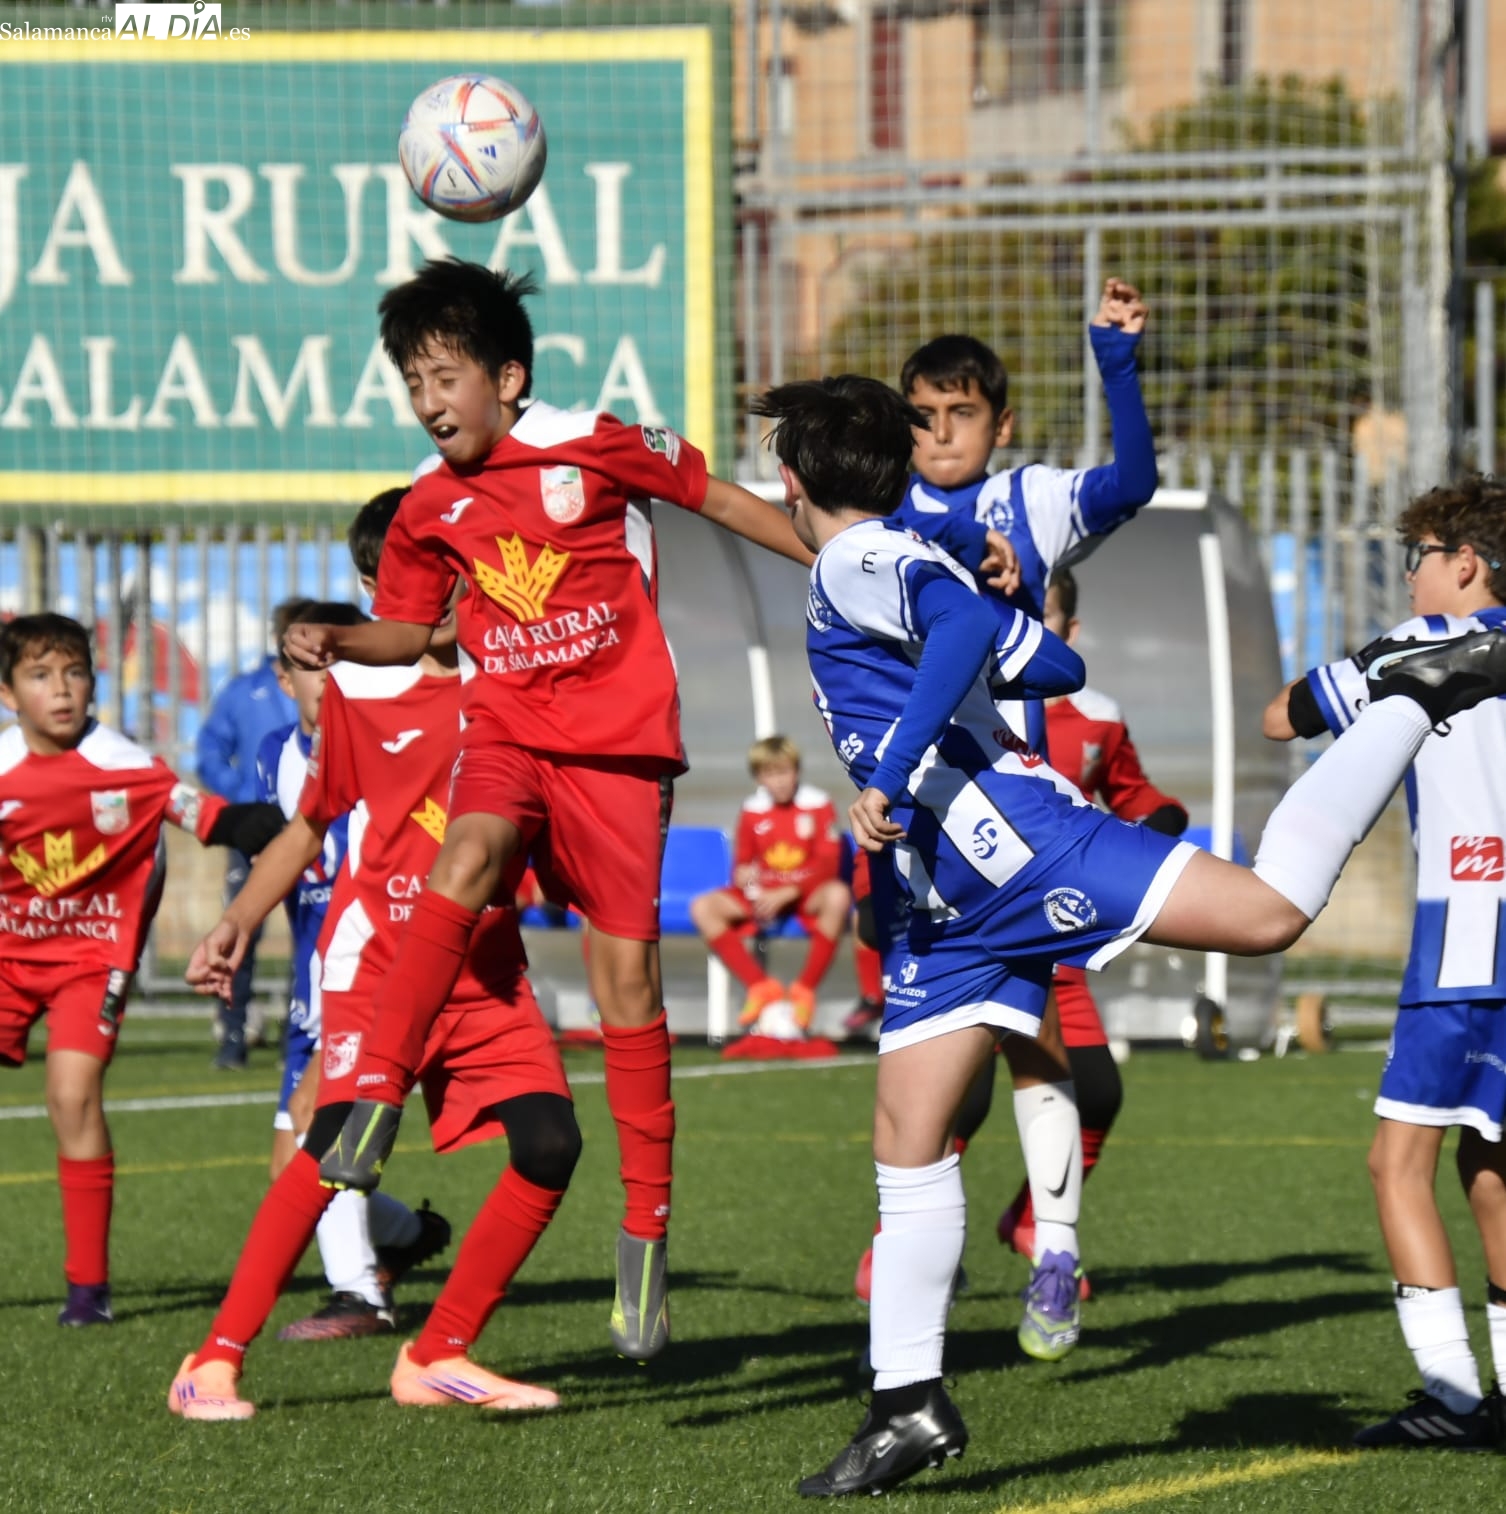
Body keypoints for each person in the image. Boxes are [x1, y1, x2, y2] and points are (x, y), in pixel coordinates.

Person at [750, 375, 1506, 1497]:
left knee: (1268, 911)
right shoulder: (901, 554)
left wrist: (903, 754)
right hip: (947, 898)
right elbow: (1053, 666)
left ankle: (1410, 696)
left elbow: (959, 632)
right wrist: (984, 602)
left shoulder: (852, 558)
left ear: (792, 480)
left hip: (1016, 845)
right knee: (907, 1135)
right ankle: (905, 1403)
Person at [283, 258, 813, 1360]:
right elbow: (415, 631)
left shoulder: (595, 443)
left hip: (620, 751)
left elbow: (718, 499)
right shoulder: (429, 503)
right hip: (510, 733)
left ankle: (645, 1233)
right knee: (466, 857)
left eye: (445, 377)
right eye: (412, 383)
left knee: (628, 988)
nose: (428, 401)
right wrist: (341, 638)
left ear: (508, 377)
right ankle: (375, 1098)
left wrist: (837, 556)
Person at [168, 488, 580, 1419]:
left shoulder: (519, 686)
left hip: (484, 971)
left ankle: (436, 1354)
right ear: (380, 590)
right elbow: (310, 825)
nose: (444, 593)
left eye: (459, 571)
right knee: (334, 1151)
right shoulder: (359, 691)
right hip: (382, 966)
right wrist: (237, 920)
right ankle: (212, 1362)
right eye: (417, 577)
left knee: (551, 1144)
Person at [847, 288, 1160, 1357]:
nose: (940, 433)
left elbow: (1132, 484)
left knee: (1042, 1046)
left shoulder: (1026, 501)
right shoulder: (876, 516)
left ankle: (1052, 1252)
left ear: (1000, 423)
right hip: (910, 820)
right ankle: (914, 1247)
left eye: (962, 413)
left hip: (1014, 821)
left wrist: (1116, 363)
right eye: (923, 414)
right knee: (939, 1061)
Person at [852, 566, 1189, 1316]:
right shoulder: (938, 697)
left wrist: (1159, 822)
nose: (1022, 630)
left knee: (1097, 1090)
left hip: (1053, 934)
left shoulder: (1095, 717)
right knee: (955, 1103)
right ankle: (897, 1244)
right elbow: (886, 795)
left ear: (1067, 630)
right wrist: (867, 891)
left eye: (1041, 616)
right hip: (957, 936)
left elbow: (1135, 796)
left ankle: (1038, 1228)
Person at [1263, 475, 1506, 1451]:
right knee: (1493, 1163)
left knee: (1398, 1163)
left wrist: (1372, 670)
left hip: (1466, 934)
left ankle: (1452, 1400)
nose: (1409, 576)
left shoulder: (1423, 642)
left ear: (1467, 563)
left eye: (1420, 556)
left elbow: (1283, 716)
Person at [0, 614, 282, 1327]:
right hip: (7, 957)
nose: (61, 690)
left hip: (89, 960)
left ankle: (87, 1290)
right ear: (7, 694)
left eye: (74, 673)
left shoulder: (126, 765)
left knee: (72, 1098)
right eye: (39, 676)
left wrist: (270, 824)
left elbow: (210, 817)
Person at [254, 598, 442, 1343]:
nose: (330, 682)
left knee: (321, 1131)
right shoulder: (275, 755)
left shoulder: (387, 740)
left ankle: (360, 1293)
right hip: (314, 974)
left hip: (368, 967)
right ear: (285, 678)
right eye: (313, 669)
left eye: (344, 664)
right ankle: (406, 1235)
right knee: (292, 1172)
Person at [196, 602, 301, 1068]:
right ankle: (232, 1035)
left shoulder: (331, 683)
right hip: (257, 830)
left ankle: (299, 1036)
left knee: (314, 931)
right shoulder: (243, 691)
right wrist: (243, 800)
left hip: (313, 827)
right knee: (242, 927)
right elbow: (209, 752)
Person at [690, 734, 850, 1032]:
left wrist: (791, 890)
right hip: (765, 895)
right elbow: (742, 862)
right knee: (703, 907)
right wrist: (745, 878)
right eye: (770, 774)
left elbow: (828, 865)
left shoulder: (819, 804)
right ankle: (760, 986)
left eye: (784, 771)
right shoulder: (752, 809)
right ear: (758, 778)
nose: (778, 781)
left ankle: (804, 989)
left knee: (838, 896)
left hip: (806, 894)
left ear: (797, 771)